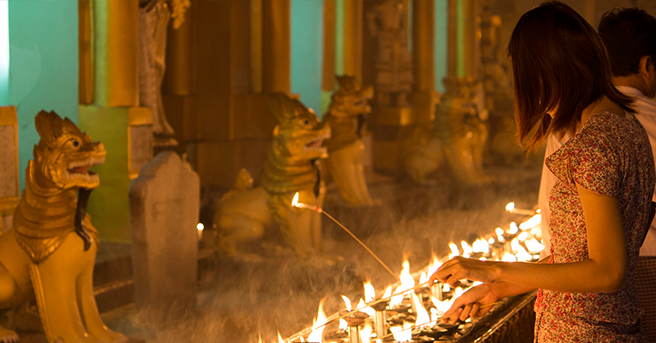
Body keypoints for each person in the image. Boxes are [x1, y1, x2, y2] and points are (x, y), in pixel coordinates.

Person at [429, 2, 655, 342]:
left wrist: (490, 267)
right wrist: (497, 288)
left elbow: (607, 271)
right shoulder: (626, 130)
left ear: (550, 71)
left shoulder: (594, 144)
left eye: (524, 77)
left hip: (582, 332)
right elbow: (575, 258)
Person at [598, 7, 656, 341]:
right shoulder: (648, 123)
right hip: (648, 267)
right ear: (647, 66)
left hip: (568, 282)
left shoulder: (568, 128)